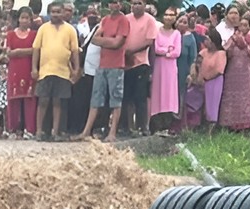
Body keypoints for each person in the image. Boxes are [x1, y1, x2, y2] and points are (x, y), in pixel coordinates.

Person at [83, 0, 131, 136]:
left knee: (115, 99)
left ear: (120, 4)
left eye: (115, 2)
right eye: (110, 2)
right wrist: (111, 40)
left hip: (116, 65)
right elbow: (94, 39)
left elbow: (118, 43)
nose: (112, 5)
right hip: (102, 64)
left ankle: (112, 133)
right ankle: (86, 131)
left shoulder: (123, 20)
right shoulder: (105, 20)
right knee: (96, 98)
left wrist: (105, 41)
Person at [34, 0, 81, 135]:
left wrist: (77, 69)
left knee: (58, 102)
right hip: (45, 71)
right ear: (49, 13)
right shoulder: (43, 28)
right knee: (43, 101)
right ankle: (39, 131)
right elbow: (36, 49)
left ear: (63, 13)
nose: (56, 14)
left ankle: (55, 131)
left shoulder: (70, 29)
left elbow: (75, 51)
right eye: (53, 12)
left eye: (58, 12)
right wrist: (34, 68)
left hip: (63, 72)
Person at [122, 0, 159, 134]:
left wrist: (132, 51)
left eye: (139, 3)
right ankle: (128, 127)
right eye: (134, 3)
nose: (136, 6)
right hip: (125, 63)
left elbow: (149, 41)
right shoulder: (125, 19)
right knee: (127, 97)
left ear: (144, 5)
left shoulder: (150, 20)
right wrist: (125, 53)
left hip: (141, 62)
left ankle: (143, 126)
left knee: (140, 97)